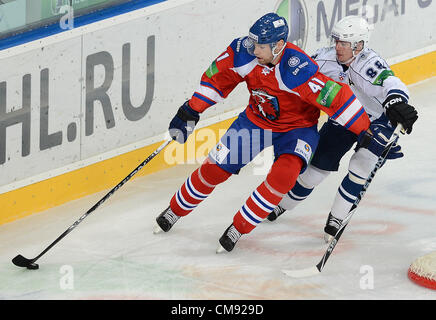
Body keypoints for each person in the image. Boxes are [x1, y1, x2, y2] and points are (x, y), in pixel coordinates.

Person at [153, 12, 385, 253]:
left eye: (261, 46)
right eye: (254, 43)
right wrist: (191, 109)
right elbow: (218, 79)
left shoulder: (297, 68)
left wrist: (364, 132)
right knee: (215, 167)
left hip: (297, 130)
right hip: (255, 122)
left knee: (284, 176)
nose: (255, 50)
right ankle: (174, 210)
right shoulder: (243, 51)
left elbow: (336, 98)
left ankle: (239, 227)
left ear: (279, 46)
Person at [266, 16, 418, 242]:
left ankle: (336, 218)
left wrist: (397, 103)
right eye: (336, 41)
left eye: (344, 43)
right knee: (314, 172)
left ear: (359, 45)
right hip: (345, 117)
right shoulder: (326, 59)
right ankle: (283, 205)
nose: (337, 47)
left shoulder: (369, 64)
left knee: (361, 165)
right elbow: (301, 69)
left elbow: (392, 84)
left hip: (378, 120)